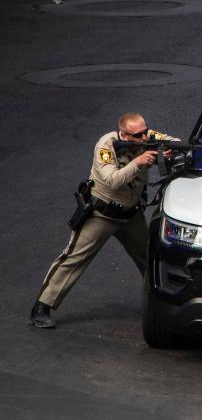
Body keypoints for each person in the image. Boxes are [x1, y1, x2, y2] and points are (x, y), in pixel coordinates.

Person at [29, 113, 176, 328]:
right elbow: (111, 180)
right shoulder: (106, 147)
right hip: (102, 214)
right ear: (124, 135)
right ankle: (42, 306)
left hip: (131, 215)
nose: (145, 137)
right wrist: (138, 161)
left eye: (146, 131)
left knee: (151, 258)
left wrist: (170, 150)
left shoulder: (147, 136)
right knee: (74, 257)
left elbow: (174, 142)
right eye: (138, 135)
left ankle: (162, 305)